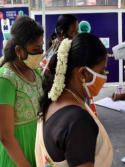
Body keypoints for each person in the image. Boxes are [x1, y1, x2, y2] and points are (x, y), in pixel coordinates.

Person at [36, 33, 113, 167]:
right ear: (83, 73)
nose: (104, 77)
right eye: (101, 71)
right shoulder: (79, 122)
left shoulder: (54, 101)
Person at [0, 16, 44, 167]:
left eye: (41, 48)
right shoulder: (6, 79)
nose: (40, 54)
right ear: (18, 50)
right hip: (18, 158)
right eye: (35, 50)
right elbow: (5, 136)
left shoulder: (35, 72)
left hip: (38, 149)